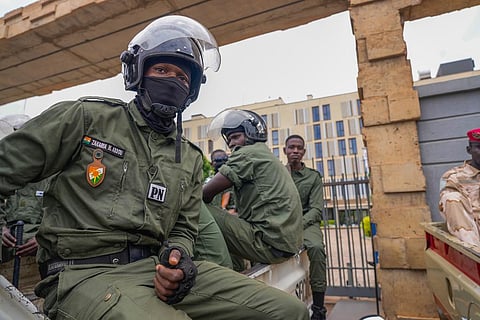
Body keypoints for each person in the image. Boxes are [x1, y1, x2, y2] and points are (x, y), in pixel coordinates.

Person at [0, 15, 309, 320]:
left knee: (288, 311)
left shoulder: (187, 157)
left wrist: (177, 258)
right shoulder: (86, 118)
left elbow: (184, 227)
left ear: (191, 91)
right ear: (138, 72)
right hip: (82, 273)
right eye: (162, 69)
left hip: (153, 269)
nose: (173, 80)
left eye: (182, 77)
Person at [203, 109, 304, 271]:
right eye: (229, 140)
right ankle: (234, 270)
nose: (231, 144)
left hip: (269, 245)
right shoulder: (264, 153)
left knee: (197, 208)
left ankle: (219, 277)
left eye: (236, 137)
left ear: (251, 134)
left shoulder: (247, 154)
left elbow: (204, 194)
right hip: (283, 244)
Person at [283, 134, 328, 320]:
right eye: (291, 147)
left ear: (303, 152)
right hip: (282, 223)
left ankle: (318, 308)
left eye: (299, 148)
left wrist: (297, 224)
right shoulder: (277, 173)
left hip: (306, 223)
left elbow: (317, 209)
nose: (295, 151)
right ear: (285, 150)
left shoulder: (313, 177)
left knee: (317, 248)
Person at [1, 114, 48, 263]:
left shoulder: (51, 174)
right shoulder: (3, 174)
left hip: (38, 248)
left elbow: (62, 215)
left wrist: (43, 239)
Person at [439, 128, 480, 246]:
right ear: (469, 150)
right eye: (479, 147)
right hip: (473, 234)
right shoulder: (454, 177)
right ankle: (475, 254)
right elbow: (453, 211)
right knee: (451, 198)